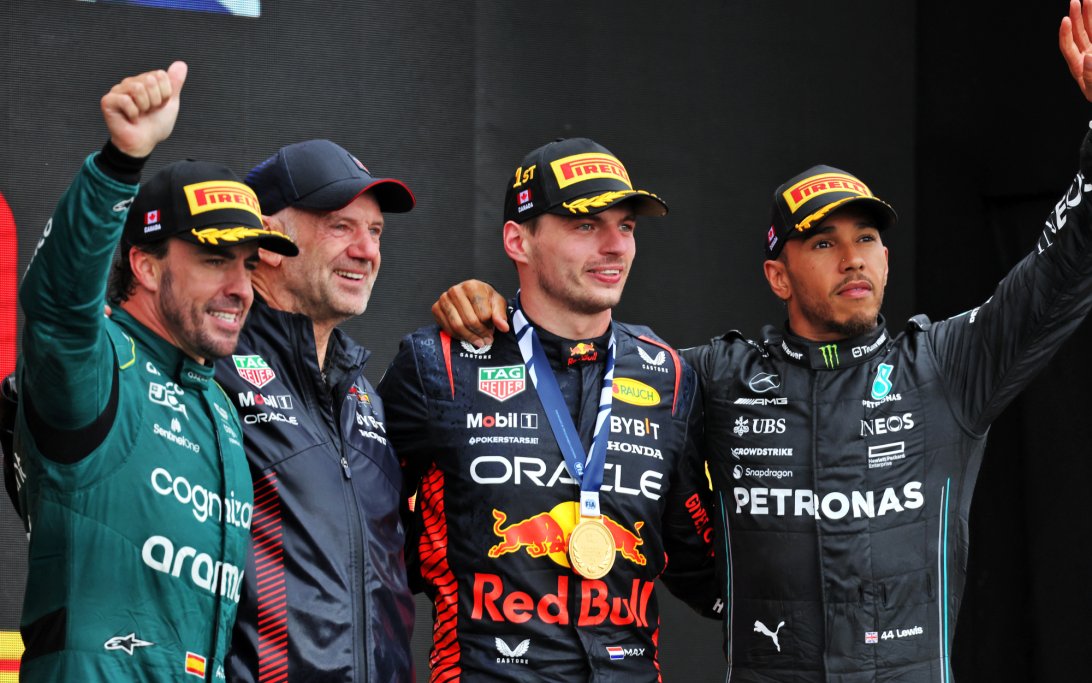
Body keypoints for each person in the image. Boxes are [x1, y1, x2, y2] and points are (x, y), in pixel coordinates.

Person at [432, 5, 1092, 680]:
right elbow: (581, 364)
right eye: (824, 243)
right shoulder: (716, 377)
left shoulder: (945, 368)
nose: (853, 259)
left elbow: (1060, 276)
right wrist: (492, 311)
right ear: (777, 274)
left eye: (867, 238)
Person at [379, 137, 717, 681]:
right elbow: (365, 536)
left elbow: (705, 565)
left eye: (626, 226)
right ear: (518, 240)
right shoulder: (438, 363)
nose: (614, 246)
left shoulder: (669, 374)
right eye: (586, 225)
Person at [12, 62, 298, 681]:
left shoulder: (218, 402)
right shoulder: (100, 364)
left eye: (249, 265)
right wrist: (119, 163)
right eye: (215, 259)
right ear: (143, 265)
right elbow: (59, 309)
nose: (239, 288)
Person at [215, 139, 417, 682]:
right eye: (339, 226)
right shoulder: (208, 372)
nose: (366, 250)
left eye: (374, 232)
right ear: (271, 241)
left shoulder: (364, 395)